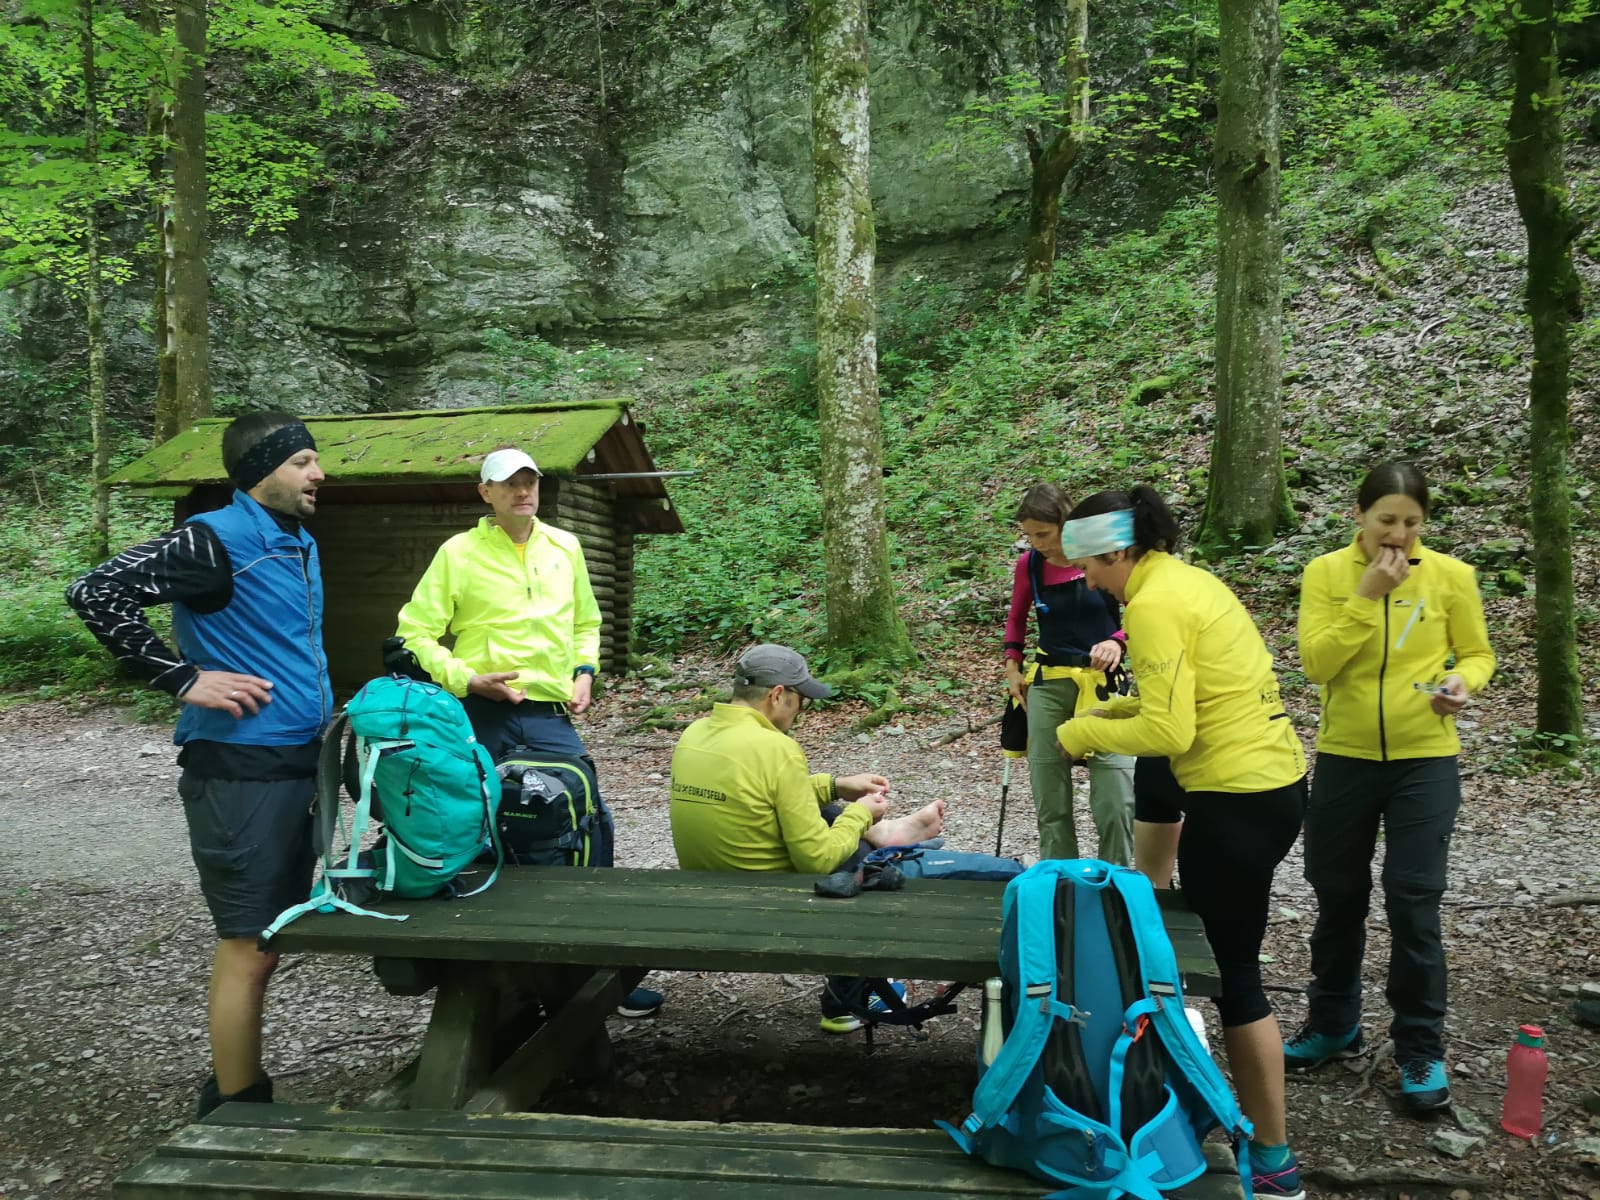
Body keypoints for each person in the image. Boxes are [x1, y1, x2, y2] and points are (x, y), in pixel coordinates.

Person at [66, 411, 331, 1118]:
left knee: (269, 938)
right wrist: (181, 677)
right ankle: (236, 1108)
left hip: (293, 764)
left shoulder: (293, 539)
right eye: (302, 461)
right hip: (239, 771)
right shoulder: (212, 539)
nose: (318, 473)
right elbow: (94, 591)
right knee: (249, 944)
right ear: (261, 471)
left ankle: (238, 1093)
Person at [1053, 487, 1309, 1200]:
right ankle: (1188, 1105)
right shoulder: (1186, 582)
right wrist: (1116, 710)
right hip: (1271, 786)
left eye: (1089, 566)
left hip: (1237, 802)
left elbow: (1171, 733)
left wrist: (1083, 730)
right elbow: (1186, 702)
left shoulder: (1155, 604)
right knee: (1216, 964)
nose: (1088, 582)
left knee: (1235, 978)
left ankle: (1276, 1161)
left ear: (1116, 550)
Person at [393, 445, 662, 1018]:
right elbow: (414, 633)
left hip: (547, 713)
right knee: (476, 826)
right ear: (485, 493)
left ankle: (596, 967)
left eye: (530, 481)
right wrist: (465, 678)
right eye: (509, 483)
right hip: (479, 710)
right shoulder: (458, 553)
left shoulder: (565, 546)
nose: (522, 491)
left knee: (586, 820)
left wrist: (584, 671)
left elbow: (587, 621)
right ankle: (485, 975)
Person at [670, 644, 1023, 1033]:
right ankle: (850, 998)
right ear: (777, 695)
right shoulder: (777, 748)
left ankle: (886, 834)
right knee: (875, 866)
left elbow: (757, 791)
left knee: (825, 816)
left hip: (711, 888)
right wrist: (860, 814)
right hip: (771, 901)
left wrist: (835, 786)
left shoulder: (696, 733)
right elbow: (817, 860)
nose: (800, 711)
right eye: (800, 701)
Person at [1288, 462, 1495, 1114]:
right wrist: (1367, 595)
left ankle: (1420, 1047)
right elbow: (1317, 663)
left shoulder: (1451, 576)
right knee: (1337, 892)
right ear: (1358, 514)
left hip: (1424, 759)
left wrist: (1463, 683)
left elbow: (1479, 654)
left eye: (1411, 522)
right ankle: (1333, 1023)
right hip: (1345, 756)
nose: (1399, 535)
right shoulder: (1326, 573)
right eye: (1386, 520)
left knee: (1413, 900)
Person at [1003, 483, 1135, 863]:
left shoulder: (1103, 557)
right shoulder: (1030, 565)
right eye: (1029, 535)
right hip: (1050, 682)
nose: (1036, 543)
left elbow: (1140, 606)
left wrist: (1118, 641)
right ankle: (1060, 878)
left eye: (1043, 534)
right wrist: (1012, 667)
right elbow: (1016, 619)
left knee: (1116, 798)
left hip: (1103, 685)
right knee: (1050, 796)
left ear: (1065, 522)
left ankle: (1115, 879)